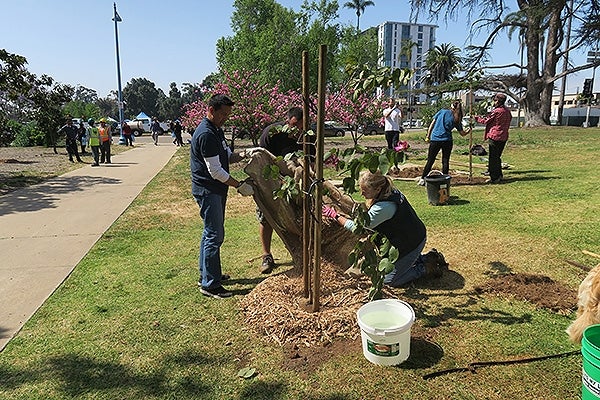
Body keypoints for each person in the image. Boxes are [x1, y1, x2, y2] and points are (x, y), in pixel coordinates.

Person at [323, 170, 446, 287]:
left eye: (365, 190)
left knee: (389, 280)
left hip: (411, 243)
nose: (361, 193)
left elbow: (358, 228)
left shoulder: (383, 207)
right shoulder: (389, 191)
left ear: (377, 189)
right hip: (411, 236)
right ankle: (429, 257)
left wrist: (335, 215)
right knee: (394, 264)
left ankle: (425, 268)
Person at [191, 94, 254, 299]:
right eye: (222, 114)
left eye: (228, 114)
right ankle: (210, 285)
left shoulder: (216, 131)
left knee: (210, 232)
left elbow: (226, 156)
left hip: (216, 190)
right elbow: (216, 171)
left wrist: (244, 154)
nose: (225, 118)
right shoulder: (206, 134)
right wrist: (239, 185)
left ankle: (206, 275)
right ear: (211, 110)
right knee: (214, 235)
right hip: (208, 190)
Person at [257, 107, 304, 274]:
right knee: (266, 217)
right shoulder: (272, 133)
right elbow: (261, 159)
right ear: (288, 120)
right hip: (271, 182)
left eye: (301, 126)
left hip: (295, 185)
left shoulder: (306, 136)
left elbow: (310, 160)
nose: (297, 129)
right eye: (295, 124)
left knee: (299, 216)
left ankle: (301, 253)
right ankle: (266, 255)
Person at [418, 100, 471, 186]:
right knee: (445, 161)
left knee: (430, 160)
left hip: (435, 139)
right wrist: (469, 130)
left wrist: (428, 135)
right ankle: (444, 181)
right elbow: (462, 133)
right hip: (447, 140)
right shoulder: (456, 117)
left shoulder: (442, 112)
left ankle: (422, 179)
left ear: (451, 106)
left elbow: (432, 124)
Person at [475, 93, 512, 184]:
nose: (493, 103)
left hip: (495, 136)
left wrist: (476, 118)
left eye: (494, 100)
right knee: (497, 157)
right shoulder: (507, 111)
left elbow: (485, 120)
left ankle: (494, 178)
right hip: (504, 136)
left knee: (493, 158)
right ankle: (499, 175)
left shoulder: (496, 111)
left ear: (497, 101)